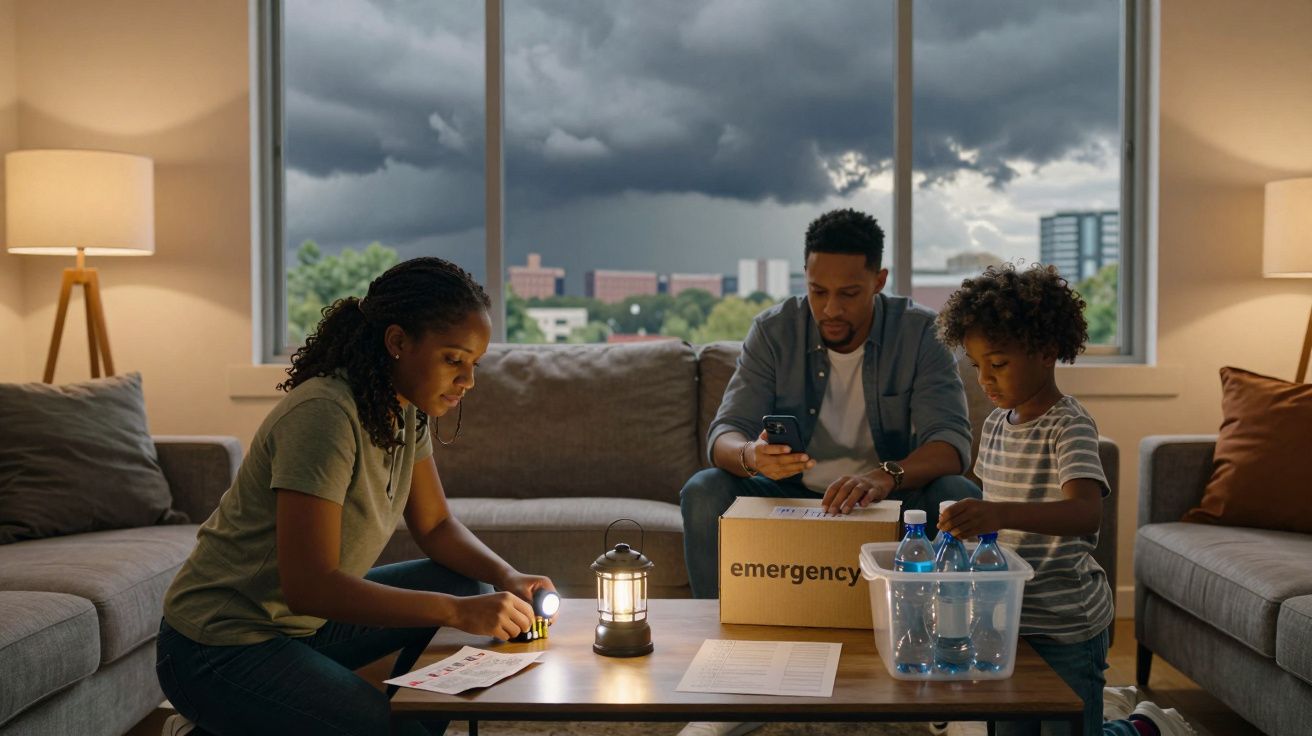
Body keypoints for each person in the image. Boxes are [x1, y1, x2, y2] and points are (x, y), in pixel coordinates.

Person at [155, 258, 555, 736]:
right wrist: (453, 612)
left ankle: (384, 719)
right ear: (398, 342)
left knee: (469, 583)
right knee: (445, 628)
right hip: (218, 643)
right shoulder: (325, 415)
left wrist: (506, 575)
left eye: (474, 364)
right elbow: (312, 586)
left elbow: (435, 527)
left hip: (301, 627)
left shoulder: (406, 410)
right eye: (454, 359)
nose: (467, 381)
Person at [675, 208, 981, 736]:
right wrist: (752, 456)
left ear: (879, 281)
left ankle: (945, 682)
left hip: (890, 498)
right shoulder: (775, 330)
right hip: (787, 492)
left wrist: (887, 473)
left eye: (849, 293)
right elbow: (722, 436)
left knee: (957, 494)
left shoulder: (920, 333)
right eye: (818, 291)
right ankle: (728, 678)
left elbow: (952, 445)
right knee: (704, 492)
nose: (830, 309)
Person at [936, 264, 1194, 736]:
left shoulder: (1068, 425)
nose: (985, 380)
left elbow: (1085, 513)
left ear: (1047, 351)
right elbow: (996, 514)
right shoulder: (994, 425)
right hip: (1006, 619)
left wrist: (997, 513)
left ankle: (1145, 727)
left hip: (1065, 624)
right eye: (977, 367)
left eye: (998, 364)